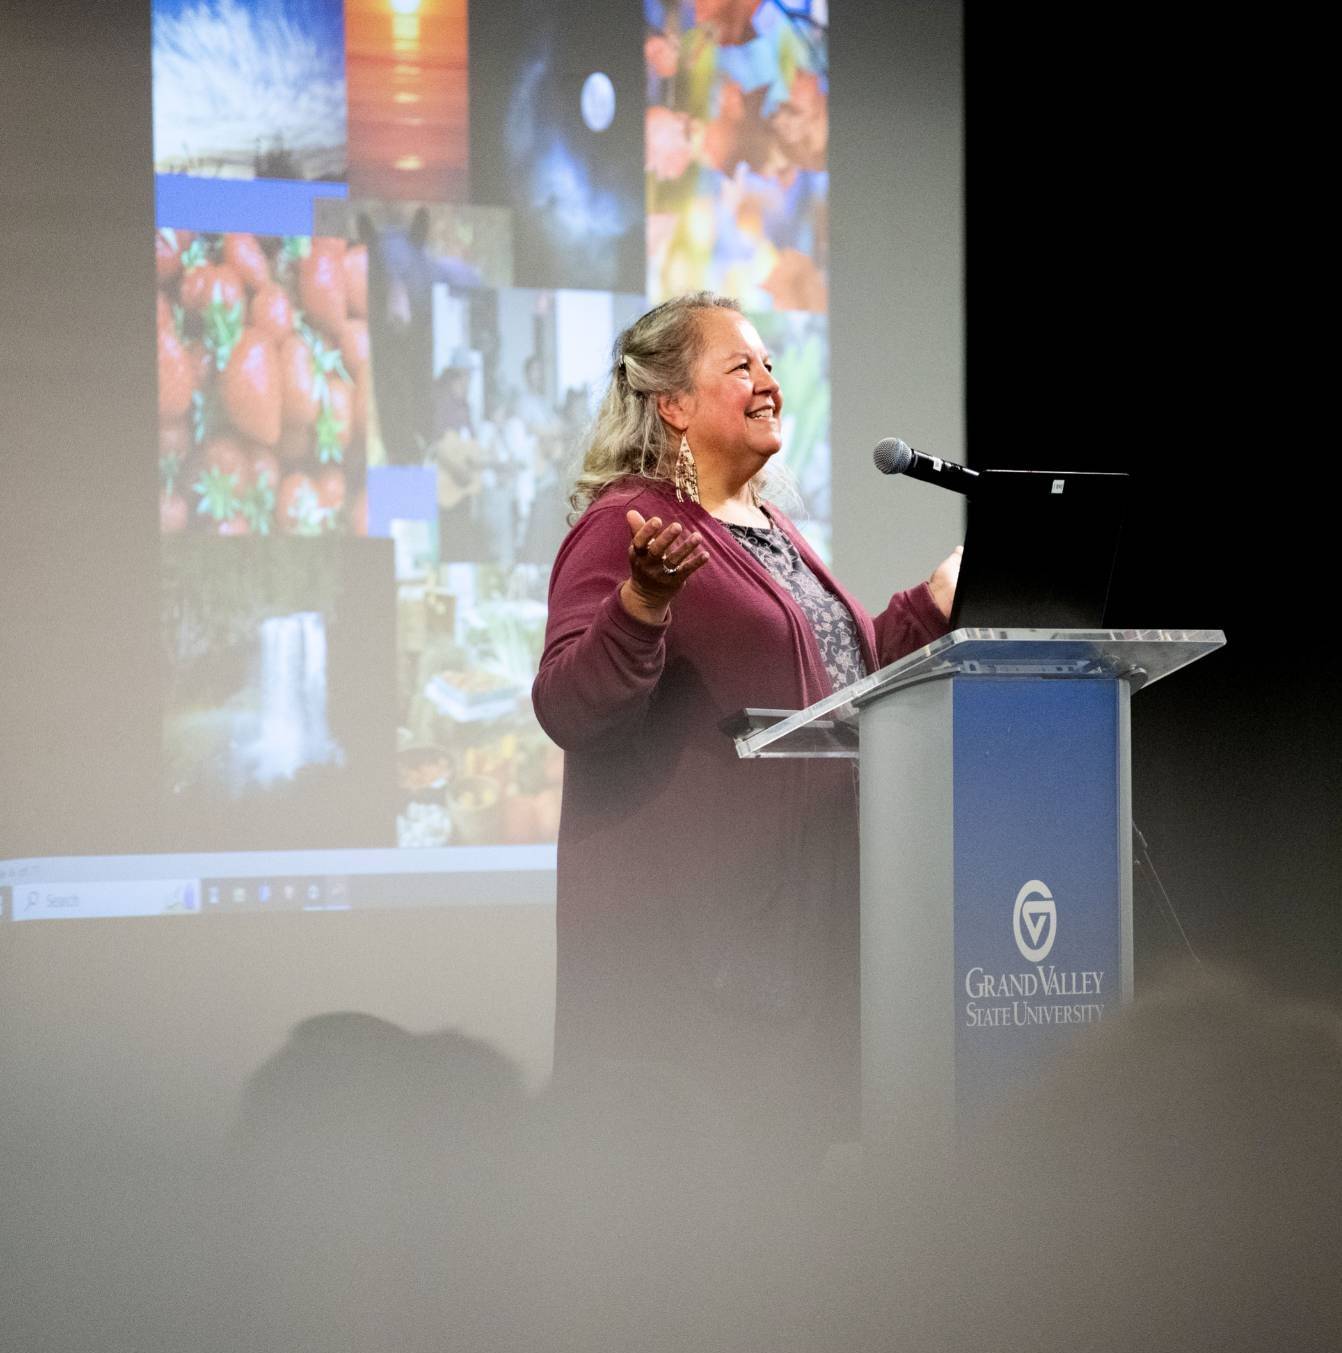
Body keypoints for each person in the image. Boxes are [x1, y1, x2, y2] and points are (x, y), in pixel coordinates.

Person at [531, 292, 960, 1150]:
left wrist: (938, 601)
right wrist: (641, 603)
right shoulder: (629, 525)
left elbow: (836, 681)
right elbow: (568, 704)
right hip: (701, 953)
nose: (769, 382)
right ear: (673, 405)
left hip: (807, 923)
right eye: (742, 366)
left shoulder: (771, 530)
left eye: (770, 364)